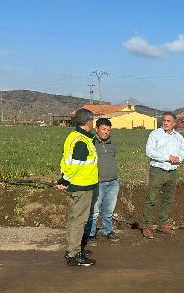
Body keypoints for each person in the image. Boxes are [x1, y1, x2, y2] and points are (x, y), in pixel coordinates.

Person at [56, 108, 98, 266]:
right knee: (79, 220)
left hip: (76, 185)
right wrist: (65, 180)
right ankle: (74, 254)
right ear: (88, 122)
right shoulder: (81, 141)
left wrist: (63, 178)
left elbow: (64, 160)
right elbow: (75, 164)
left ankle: (72, 249)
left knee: (74, 219)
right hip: (82, 186)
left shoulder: (73, 136)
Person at [142, 112, 184, 239]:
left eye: (168, 121)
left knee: (168, 199)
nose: (166, 123)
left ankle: (162, 224)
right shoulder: (155, 134)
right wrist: (168, 157)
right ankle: (147, 226)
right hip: (157, 171)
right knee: (151, 199)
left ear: (174, 123)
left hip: (172, 172)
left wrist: (179, 158)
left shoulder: (179, 137)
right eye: (164, 121)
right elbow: (150, 152)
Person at [84, 118, 120, 243]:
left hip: (113, 181)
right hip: (98, 182)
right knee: (94, 210)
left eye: (108, 130)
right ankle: (91, 233)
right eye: (103, 129)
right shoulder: (91, 142)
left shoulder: (111, 142)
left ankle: (107, 231)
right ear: (97, 129)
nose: (106, 132)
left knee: (109, 209)